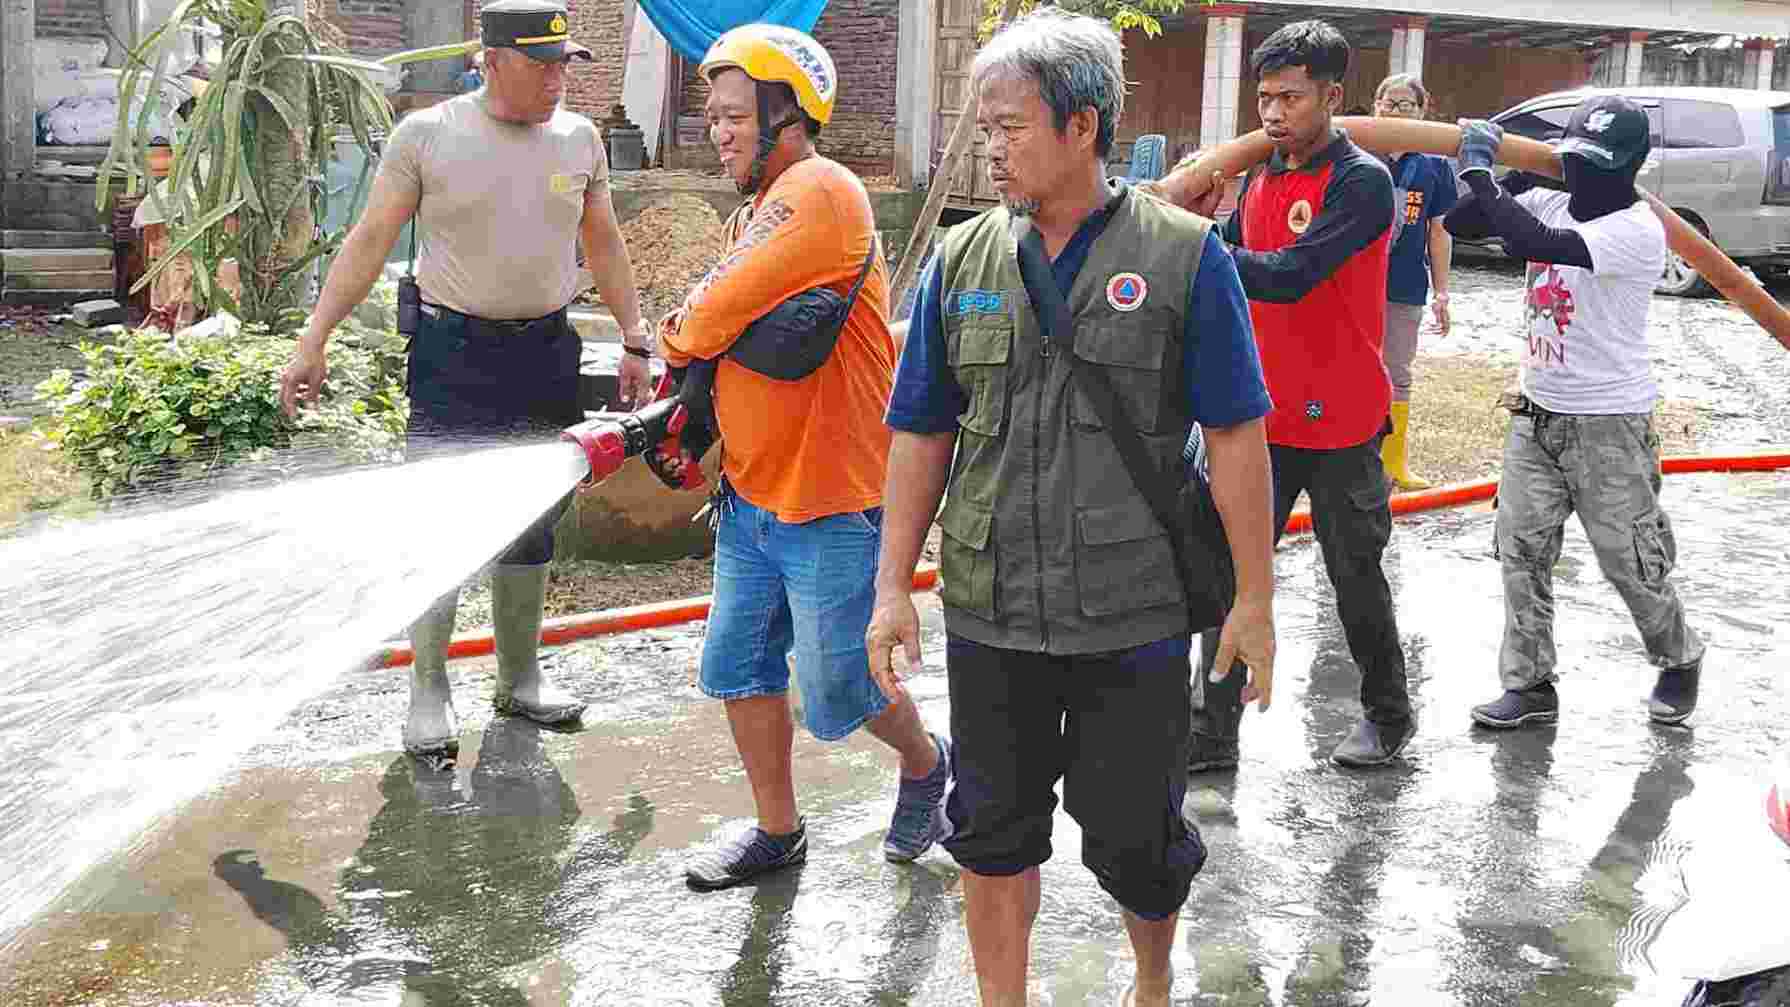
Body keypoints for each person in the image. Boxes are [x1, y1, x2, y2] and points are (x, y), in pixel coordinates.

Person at [865, 9, 1277, 1004]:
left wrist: (1253, 599)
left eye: (1010, 126)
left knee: (1137, 838)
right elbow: (920, 432)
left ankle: (1150, 978)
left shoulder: (1184, 257)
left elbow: (1235, 435)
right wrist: (890, 587)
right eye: (986, 127)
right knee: (989, 832)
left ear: (1082, 125)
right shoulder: (962, 260)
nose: (991, 147)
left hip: (1130, 613)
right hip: (991, 608)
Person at [278, 0, 657, 768]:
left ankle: (519, 677)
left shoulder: (580, 140)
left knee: (535, 522)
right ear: (494, 61)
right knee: (438, 525)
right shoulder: (428, 135)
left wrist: (634, 338)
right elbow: (370, 240)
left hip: (544, 353)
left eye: (564, 66)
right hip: (453, 355)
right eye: (542, 66)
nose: (557, 80)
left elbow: (606, 245)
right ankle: (428, 687)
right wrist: (313, 338)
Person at [652, 24, 950, 892]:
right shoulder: (754, 212)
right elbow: (723, 335)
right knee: (739, 666)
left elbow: (709, 316)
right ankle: (777, 831)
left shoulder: (821, 192)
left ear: (787, 113)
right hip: (753, 495)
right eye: (712, 115)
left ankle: (930, 762)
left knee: (841, 689)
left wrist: (679, 331)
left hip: (831, 497)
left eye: (734, 115)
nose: (717, 132)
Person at [1176, 20, 1414, 770]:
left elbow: (1289, 275)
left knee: (1354, 578)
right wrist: (1209, 225)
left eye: (1291, 98)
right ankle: (1214, 732)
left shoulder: (1362, 183)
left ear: (1333, 96)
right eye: (1265, 99)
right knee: (1227, 576)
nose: (1274, 114)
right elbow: (1239, 279)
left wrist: (1192, 237)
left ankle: (1388, 714)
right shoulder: (1261, 175)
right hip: (1262, 416)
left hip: (1342, 418)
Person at [1445, 97, 1706, 729]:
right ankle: (1530, 684)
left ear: (1632, 166)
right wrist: (1512, 173)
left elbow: (1538, 243)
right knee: (1521, 551)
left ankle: (1678, 657)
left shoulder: (1638, 229)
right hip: (1536, 412)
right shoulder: (1549, 198)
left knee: (1628, 561)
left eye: (1600, 164)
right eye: (1576, 160)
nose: (1585, 174)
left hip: (1609, 423)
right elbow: (1460, 222)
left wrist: (1481, 170)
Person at [1373, 72, 1455, 490]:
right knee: (1351, 368)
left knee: (1398, 372)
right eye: (1389, 103)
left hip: (1404, 284)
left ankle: (1394, 462)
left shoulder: (1435, 165)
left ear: (1422, 112)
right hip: (1353, 284)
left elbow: (1439, 232)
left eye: (1406, 105)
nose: (1396, 111)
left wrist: (1442, 292)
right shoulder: (1359, 155)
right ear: (1376, 107)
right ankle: (1352, 461)